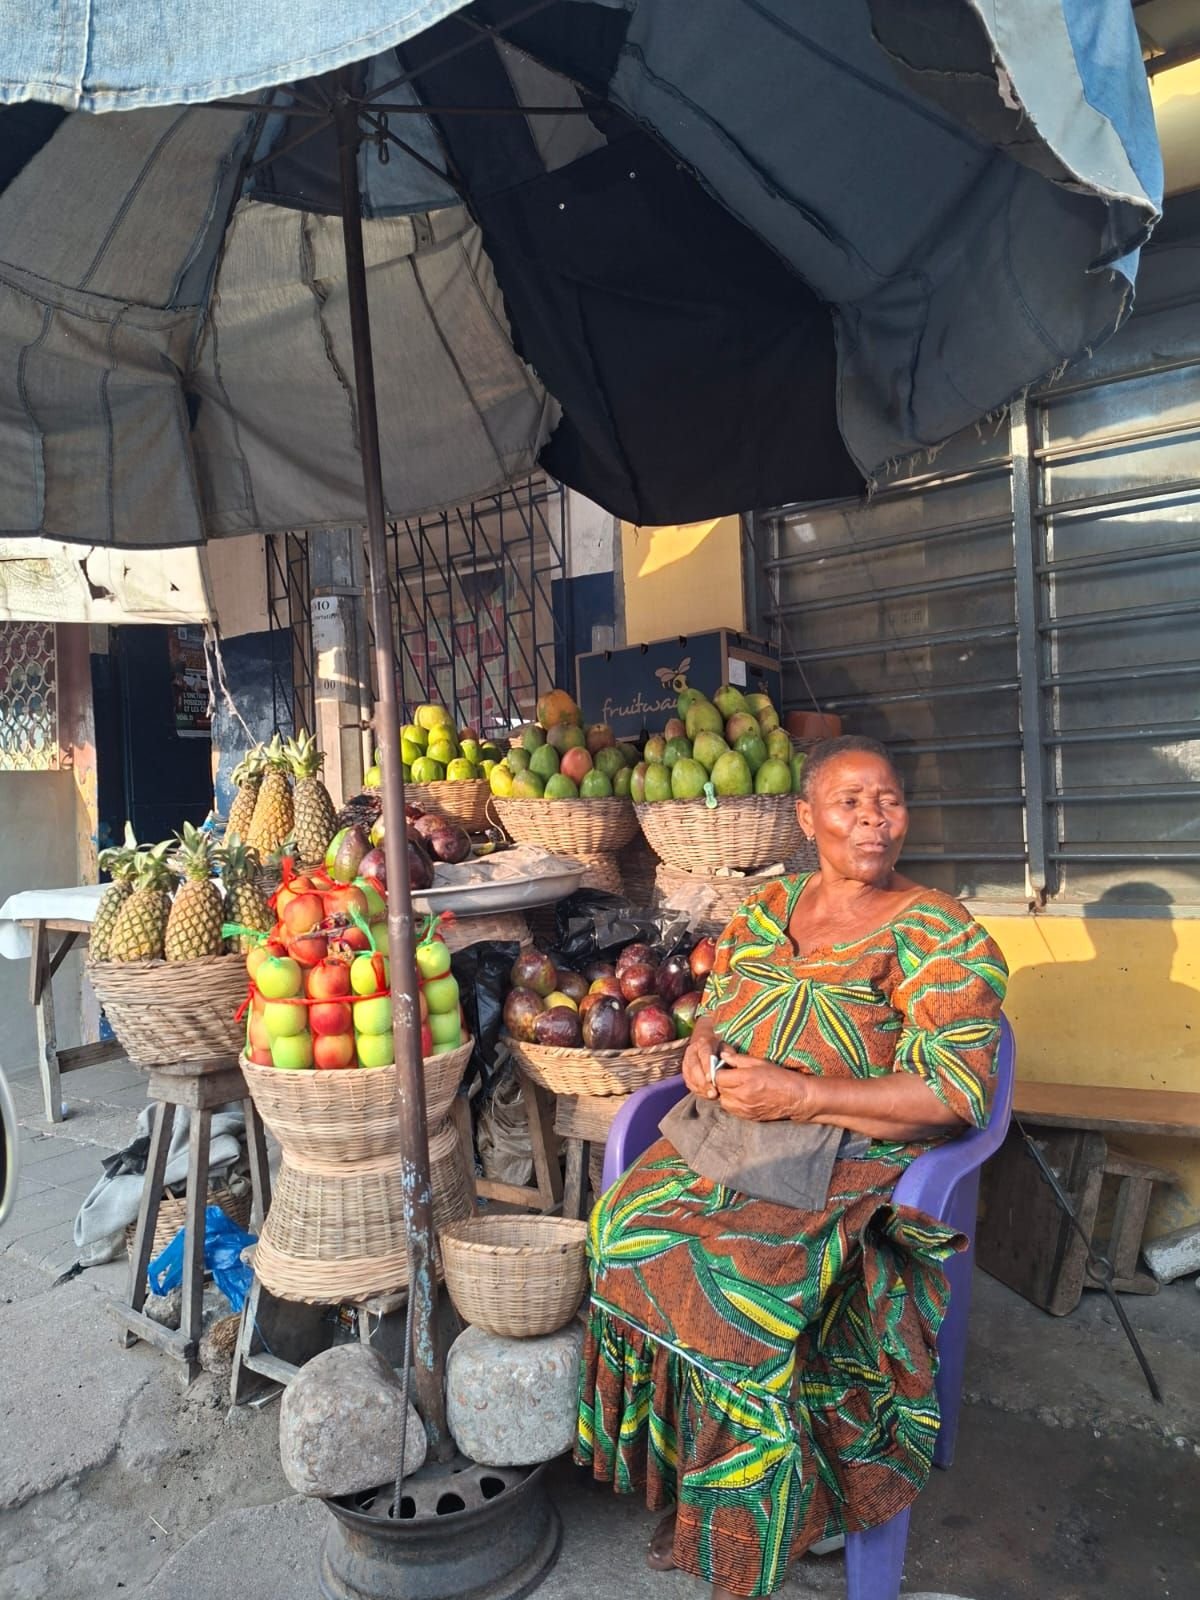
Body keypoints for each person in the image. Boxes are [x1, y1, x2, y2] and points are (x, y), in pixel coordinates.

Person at [576, 735, 1008, 1599]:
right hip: (736, 1142)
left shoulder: (939, 931)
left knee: (740, 1284)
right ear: (807, 818)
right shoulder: (769, 903)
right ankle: (699, 1485)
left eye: (887, 800)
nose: (873, 819)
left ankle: (765, 1517)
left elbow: (957, 1092)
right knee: (621, 1233)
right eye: (850, 802)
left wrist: (804, 1096)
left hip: (853, 1161)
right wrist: (701, 1048)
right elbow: (723, 1003)